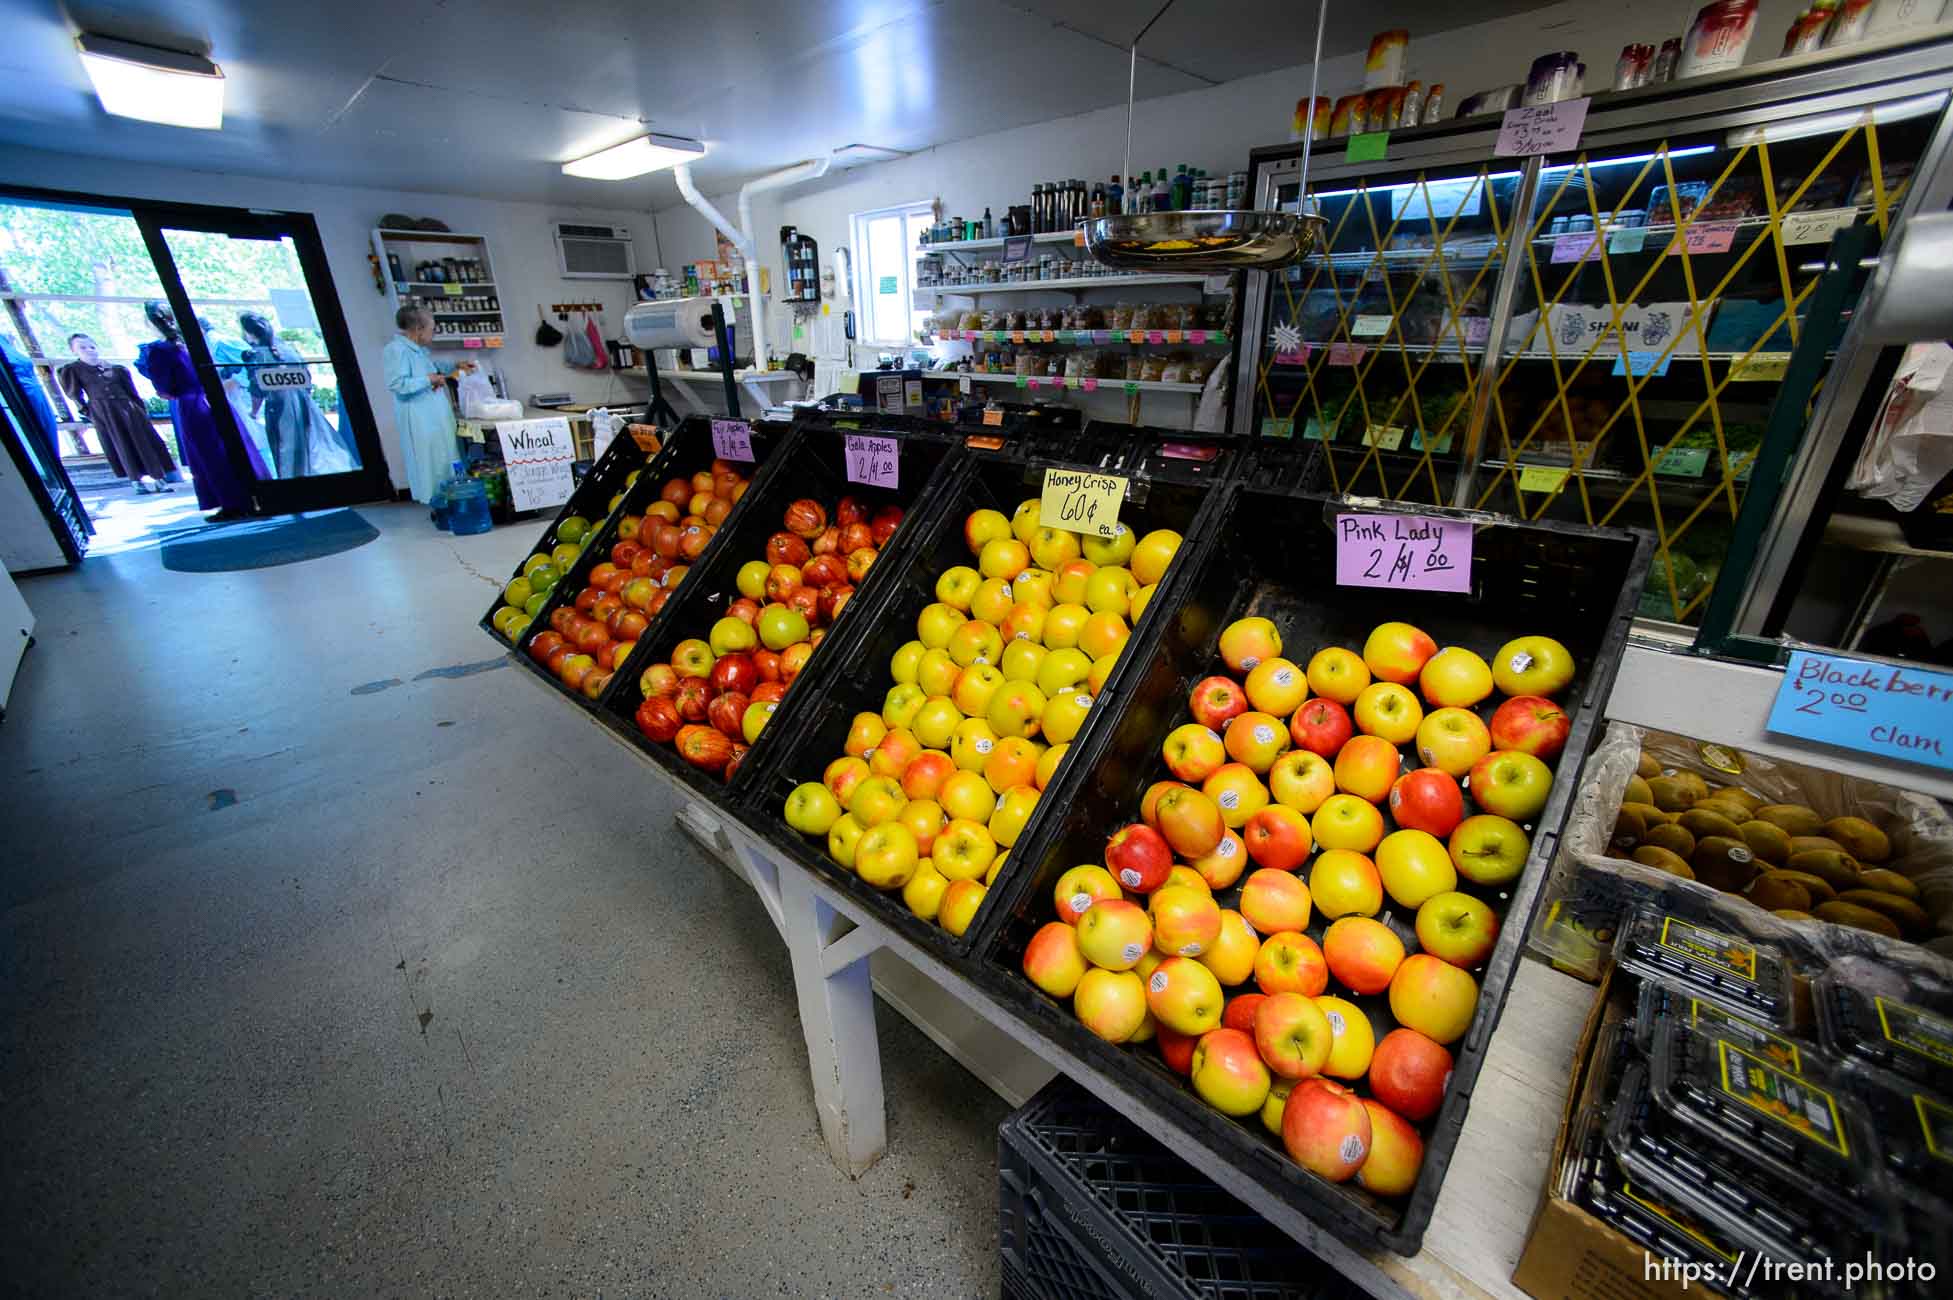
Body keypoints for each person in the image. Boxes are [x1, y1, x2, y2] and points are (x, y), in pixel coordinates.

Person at [135, 301, 252, 519]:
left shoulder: (159, 350)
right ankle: (247, 497)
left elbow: (164, 389)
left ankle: (232, 504)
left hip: (192, 404)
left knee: (210, 454)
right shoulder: (191, 341)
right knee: (229, 448)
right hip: (213, 397)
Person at [239, 311, 359, 478]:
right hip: (304, 403)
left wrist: (252, 412)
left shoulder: (255, 356)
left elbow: (257, 390)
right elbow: (307, 377)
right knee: (315, 445)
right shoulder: (289, 350)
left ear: (248, 332)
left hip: (280, 408)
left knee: (287, 449)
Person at [59, 332, 182, 492]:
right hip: (105, 413)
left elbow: (132, 392)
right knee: (121, 444)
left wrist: (140, 410)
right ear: (74, 351)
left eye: (92, 346)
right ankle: (136, 481)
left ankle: (158, 478)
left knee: (144, 442)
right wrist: (90, 412)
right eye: (82, 348)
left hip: (129, 410)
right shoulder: (73, 370)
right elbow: (74, 394)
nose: (89, 350)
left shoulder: (117, 369)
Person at [382, 305, 473, 502]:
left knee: (446, 458)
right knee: (431, 461)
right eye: (432, 329)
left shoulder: (418, 351)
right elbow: (398, 384)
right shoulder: (396, 350)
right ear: (418, 329)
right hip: (419, 416)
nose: (433, 333)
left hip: (434, 413)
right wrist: (429, 380)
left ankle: (452, 498)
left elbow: (429, 368)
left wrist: (454, 366)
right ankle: (439, 502)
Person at [200, 316, 275, 480]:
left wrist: (230, 383)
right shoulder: (213, 344)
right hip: (237, 397)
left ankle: (271, 478)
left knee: (258, 439)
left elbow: (250, 367)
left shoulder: (221, 343)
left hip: (244, 397)